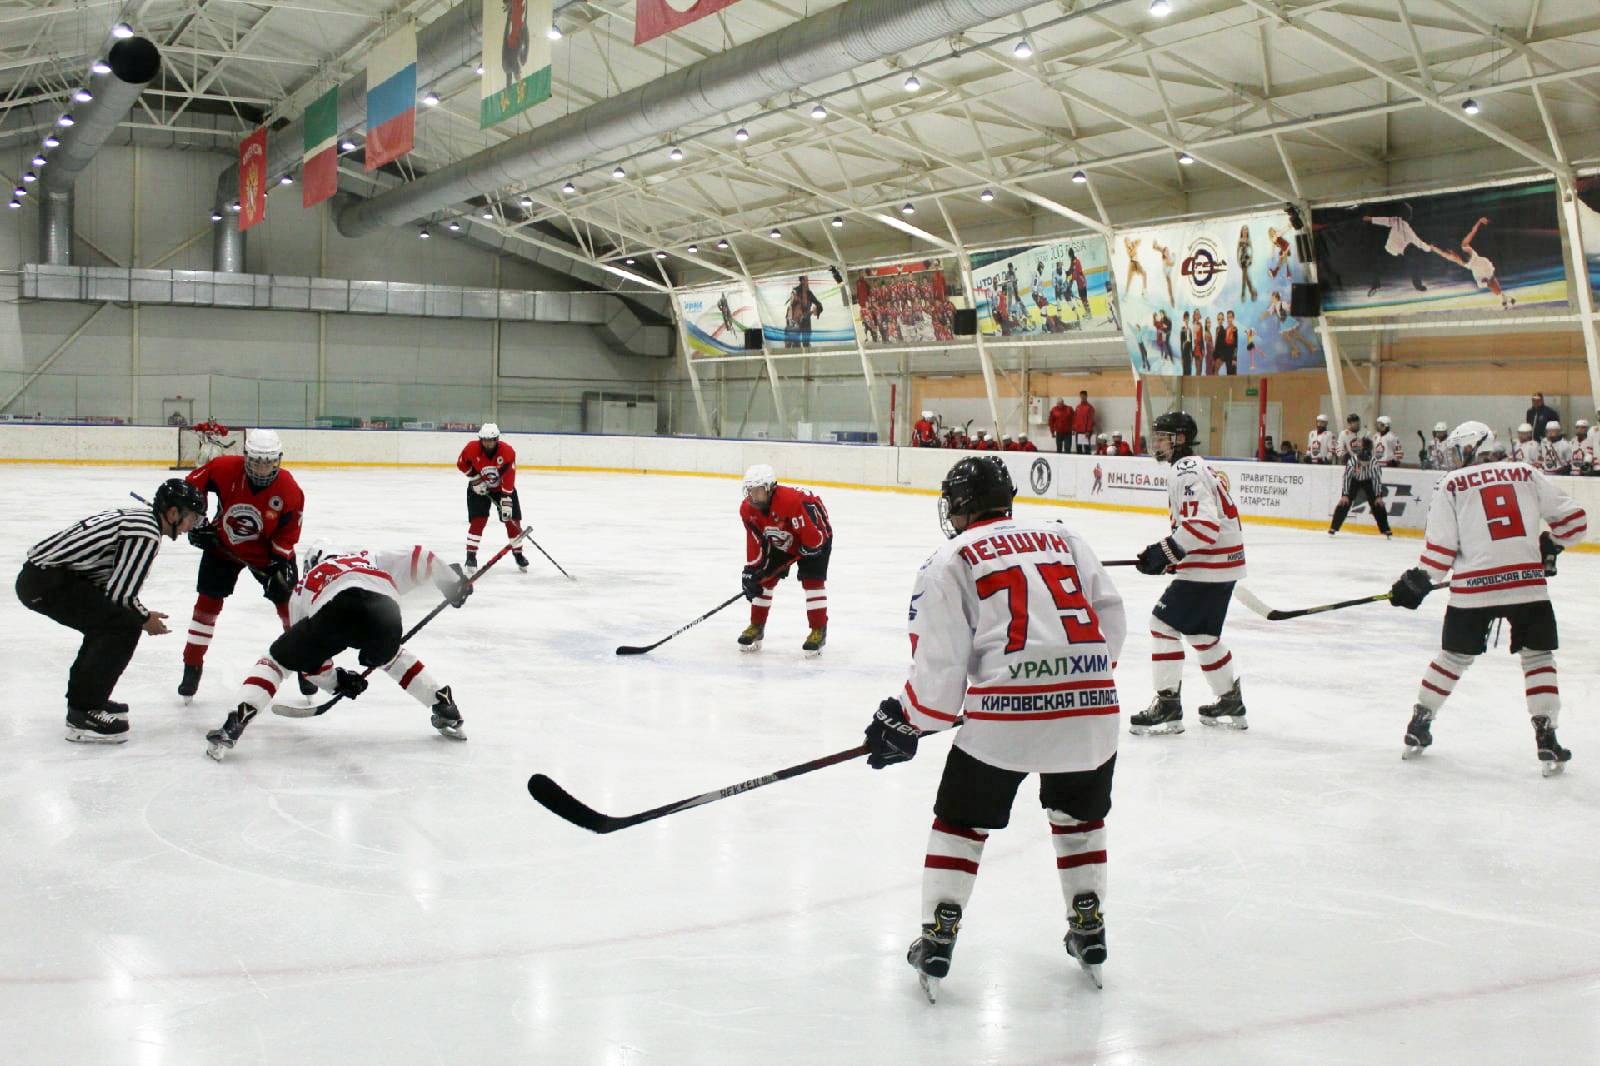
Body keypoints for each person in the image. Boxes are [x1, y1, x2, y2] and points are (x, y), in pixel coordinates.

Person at [863, 456, 1125, 1001]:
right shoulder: (1065, 538)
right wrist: (1074, 681)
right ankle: (1089, 924)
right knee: (1079, 816)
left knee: (960, 822)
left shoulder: (948, 560)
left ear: (959, 506)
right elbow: (1111, 622)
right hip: (1093, 708)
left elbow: (938, 690)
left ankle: (939, 935)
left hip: (1005, 723)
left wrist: (902, 719)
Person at [1389, 421, 1586, 774]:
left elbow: (1440, 554)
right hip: (1527, 586)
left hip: (1473, 591)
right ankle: (1546, 735)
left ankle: (1420, 722)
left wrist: (1417, 582)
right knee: (1538, 657)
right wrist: (1551, 544)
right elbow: (1574, 522)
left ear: (1472, 447)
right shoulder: (1526, 473)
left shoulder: (1451, 484)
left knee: (1453, 657)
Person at [204, 543, 474, 761]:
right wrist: (452, 582)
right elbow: (422, 556)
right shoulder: (367, 559)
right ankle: (444, 704)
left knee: (277, 660)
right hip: (386, 614)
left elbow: (311, 664)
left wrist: (337, 682)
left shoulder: (302, 588)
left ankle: (238, 717)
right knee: (390, 656)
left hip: (335, 611)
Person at [16, 479, 207, 743]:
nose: (191, 526)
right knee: (122, 627)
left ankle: (87, 701)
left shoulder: (141, 520)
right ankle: (84, 711)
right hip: (47, 583)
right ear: (173, 513)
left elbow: (115, 593)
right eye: (192, 518)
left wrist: (137, 613)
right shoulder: (146, 533)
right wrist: (144, 618)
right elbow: (121, 596)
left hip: (45, 577)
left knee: (111, 622)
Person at [1129, 411, 1248, 736]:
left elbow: (1204, 526)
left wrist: (1165, 551)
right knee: (1203, 635)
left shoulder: (1185, 470)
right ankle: (1230, 700)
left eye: (1162, 438)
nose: (1156, 443)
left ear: (1180, 439)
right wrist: (1169, 558)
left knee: (1162, 624)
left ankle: (1167, 705)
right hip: (1223, 564)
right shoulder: (1197, 466)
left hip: (1210, 567)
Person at [178, 429, 304, 700]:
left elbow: (288, 532)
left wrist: (279, 564)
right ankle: (192, 665)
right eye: (256, 462)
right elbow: (190, 488)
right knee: (206, 605)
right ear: (246, 457)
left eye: (268, 462)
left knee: (290, 608)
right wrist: (197, 522)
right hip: (222, 546)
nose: (262, 468)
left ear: (278, 460)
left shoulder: (290, 490)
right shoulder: (224, 468)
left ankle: (307, 664)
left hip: (266, 555)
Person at [737, 465, 832, 655]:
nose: (753, 496)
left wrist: (811, 546)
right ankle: (757, 626)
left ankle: (818, 630)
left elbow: (815, 535)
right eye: (750, 490)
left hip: (815, 537)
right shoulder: (747, 509)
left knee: (812, 581)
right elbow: (755, 542)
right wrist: (751, 570)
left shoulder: (792, 501)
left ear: (770, 488)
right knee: (763, 579)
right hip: (781, 538)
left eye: (758, 491)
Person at [457, 423, 529, 573]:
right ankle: (471, 556)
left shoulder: (507, 452)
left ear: (497, 439)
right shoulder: (471, 448)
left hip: (502, 488)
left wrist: (506, 500)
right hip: (478, 487)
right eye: (484, 440)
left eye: (491, 440)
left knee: (512, 521)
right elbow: (461, 464)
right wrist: (475, 479)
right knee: (478, 521)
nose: (487, 443)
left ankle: (518, 554)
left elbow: (509, 477)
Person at [1428, 217, 1515, 311]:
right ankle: (1505, 299)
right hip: (1480, 268)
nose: (1450, 251)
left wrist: (1479, 222)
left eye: (1451, 250)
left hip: (1481, 266)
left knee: (1491, 283)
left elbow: (1472, 232)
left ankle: (1504, 300)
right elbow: (1444, 253)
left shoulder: (1461, 250)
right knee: (1491, 283)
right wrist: (1434, 249)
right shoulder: (1459, 253)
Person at [1329, 435, 1392, 537]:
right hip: (1354, 480)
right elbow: (1347, 478)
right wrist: (1344, 495)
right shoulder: (1352, 461)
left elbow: (1376, 480)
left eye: (1366, 463)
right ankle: (1334, 527)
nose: (1363, 465)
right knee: (1344, 503)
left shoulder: (1374, 463)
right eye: (1362, 462)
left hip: (1368, 481)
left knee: (1378, 504)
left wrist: (1378, 496)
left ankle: (1385, 529)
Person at [1363, 205, 1431, 295]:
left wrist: (1370, 219)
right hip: (1396, 253)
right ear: (1409, 216)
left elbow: (1385, 220)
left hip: (1392, 251)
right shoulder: (1404, 226)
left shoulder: (1397, 221)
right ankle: (1418, 286)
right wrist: (1428, 248)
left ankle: (1376, 284)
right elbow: (1417, 241)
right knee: (1414, 264)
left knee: (1377, 264)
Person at [1072, 391, 1095, 455]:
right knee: (1078, 448)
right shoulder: (1078, 407)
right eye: (1081, 396)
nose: (1082, 397)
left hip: (1086, 432)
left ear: (1086, 396)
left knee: (1087, 449)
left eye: (1084, 396)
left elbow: (1090, 420)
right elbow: (1075, 418)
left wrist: (1088, 431)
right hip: (1078, 431)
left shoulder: (1090, 407)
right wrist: (1074, 429)